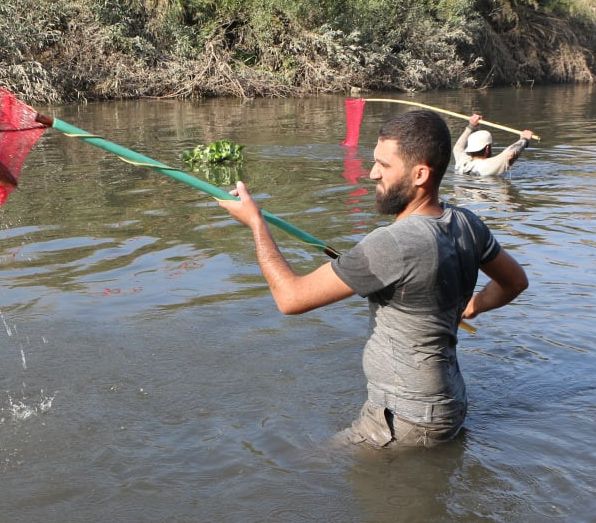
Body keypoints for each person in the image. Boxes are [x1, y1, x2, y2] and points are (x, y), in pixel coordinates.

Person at [218, 109, 529, 449]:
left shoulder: (391, 243)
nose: (371, 174)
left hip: (406, 420)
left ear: (420, 173)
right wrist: (472, 306)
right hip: (448, 403)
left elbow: (290, 298)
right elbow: (514, 282)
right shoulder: (467, 222)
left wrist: (256, 224)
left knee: (304, 469)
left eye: (384, 165)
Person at [453, 114, 534, 177]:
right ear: (487, 148)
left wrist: (471, 126)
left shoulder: (462, 161)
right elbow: (510, 154)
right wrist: (524, 140)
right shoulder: (488, 166)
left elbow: (458, 147)